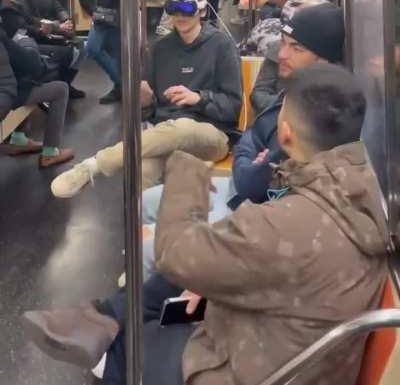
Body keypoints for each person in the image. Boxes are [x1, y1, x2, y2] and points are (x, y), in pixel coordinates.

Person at [22, 63, 388, 385]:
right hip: (291, 337)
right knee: (159, 298)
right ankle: (103, 318)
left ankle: (107, 333)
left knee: (134, 342)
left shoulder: (290, 223)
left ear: (286, 131)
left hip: (262, 367)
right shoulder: (358, 187)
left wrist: (186, 170)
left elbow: (175, 251)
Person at [138, 2, 345, 279]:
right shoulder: (291, 91)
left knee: (150, 252)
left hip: (254, 209)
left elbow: (252, 179)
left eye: (297, 48)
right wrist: (252, 155)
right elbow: (251, 136)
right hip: (236, 185)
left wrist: (248, 154)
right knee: (144, 201)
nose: (281, 55)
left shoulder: (317, 112)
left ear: (325, 61)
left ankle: (142, 307)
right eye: (283, 43)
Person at [51, 0, 242, 198]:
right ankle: (151, 230)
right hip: (165, 134)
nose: (180, 16)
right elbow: (149, 112)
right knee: (142, 172)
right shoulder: (160, 49)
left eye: (187, 9)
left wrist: (198, 98)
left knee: (183, 127)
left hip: (211, 134)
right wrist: (145, 102)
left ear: (201, 11)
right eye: (173, 8)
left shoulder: (222, 46)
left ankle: (94, 165)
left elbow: (232, 107)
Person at [0, 15, 73, 165]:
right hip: (8, 94)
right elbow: (30, 63)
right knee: (60, 89)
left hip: (10, 84)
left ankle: (19, 138)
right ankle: (50, 153)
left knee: (30, 79)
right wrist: (27, 41)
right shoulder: (7, 18)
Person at [12, 0, 85, 99]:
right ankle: (58, 86)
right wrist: (59, 26)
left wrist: (67, 20)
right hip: (35, 34)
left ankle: (65, 84)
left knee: (81, 47)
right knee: (69, 51)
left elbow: (56, 6)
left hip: (51, 30)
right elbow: (30, 18)